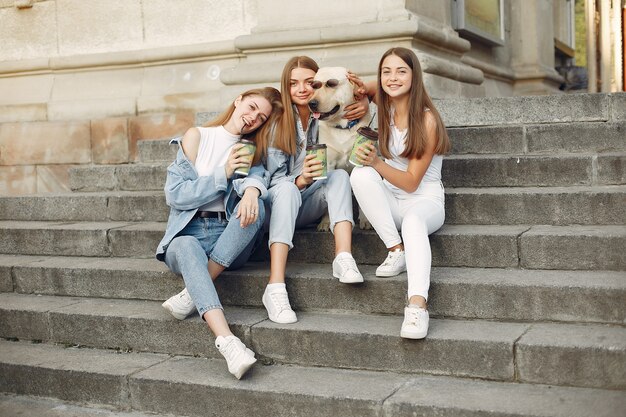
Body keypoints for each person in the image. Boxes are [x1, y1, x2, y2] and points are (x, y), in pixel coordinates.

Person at [156, 87, 282, 379]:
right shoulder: (197, 136)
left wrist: (251, 191)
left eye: (261, 117)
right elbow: (176, 195)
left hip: (227, 237)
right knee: (186, 245)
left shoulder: (249, 149)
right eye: (250, 107)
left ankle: (192, 292)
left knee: (258, 208)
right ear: (238, 100)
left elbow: (258, 177)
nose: (252, 118)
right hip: (189, 233)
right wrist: (223, 173)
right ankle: (227, 341)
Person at [349, 47, 450, 339]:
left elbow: (411, 183)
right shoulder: (385, 104)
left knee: (413, 222)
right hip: (391, 201)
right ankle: (396, 249)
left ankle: (417, 306)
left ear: (414, 76)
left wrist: (377, 162)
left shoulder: (427, 119)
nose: (392, 78)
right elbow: (364, 86)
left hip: (424, 201)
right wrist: (358, 92)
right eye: (386, 71)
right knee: (360, 174)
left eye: (401, 71)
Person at [260, 56, 370, 324]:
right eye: (293, 84)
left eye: (310, 83)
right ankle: (275, 286)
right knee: (287, 190)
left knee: (339, 177)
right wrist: (300, 181)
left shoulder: (319, 119)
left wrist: (364, 98)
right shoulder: (277, 122)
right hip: (279, 206)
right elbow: (269, 180)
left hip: (307, 202)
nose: (305, 90)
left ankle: (343, 257)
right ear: (285, 88)